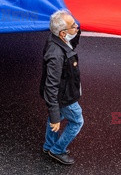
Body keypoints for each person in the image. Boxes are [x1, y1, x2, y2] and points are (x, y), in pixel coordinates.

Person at [39, 9, 83, 165]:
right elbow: (51, 87)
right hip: (65, 98)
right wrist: (55, 115)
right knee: (77, 121)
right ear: (63, 33)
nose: (76, 26)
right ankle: (57, 150)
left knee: (54, 119)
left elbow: (73, 42)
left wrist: (75, 30)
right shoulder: (56, 56)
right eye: (73, 25)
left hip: (62, 94)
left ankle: (49, 145)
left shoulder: (57, 38)